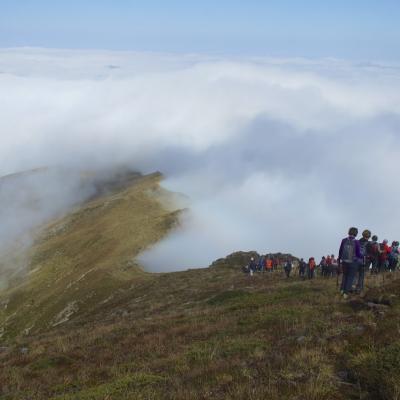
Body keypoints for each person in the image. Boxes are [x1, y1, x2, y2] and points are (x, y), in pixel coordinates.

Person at [338, 227, 362, 299]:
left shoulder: (344, 240)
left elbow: (341, 250)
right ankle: (346, 293)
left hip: (344, 261)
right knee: (350, 277)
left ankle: (342, 290)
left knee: (345, 275)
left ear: (349, 232)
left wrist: (340, 259)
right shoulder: (357, 242)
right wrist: (362, 256)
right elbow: (358, 254)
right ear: (356, 233)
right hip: (353, 262)